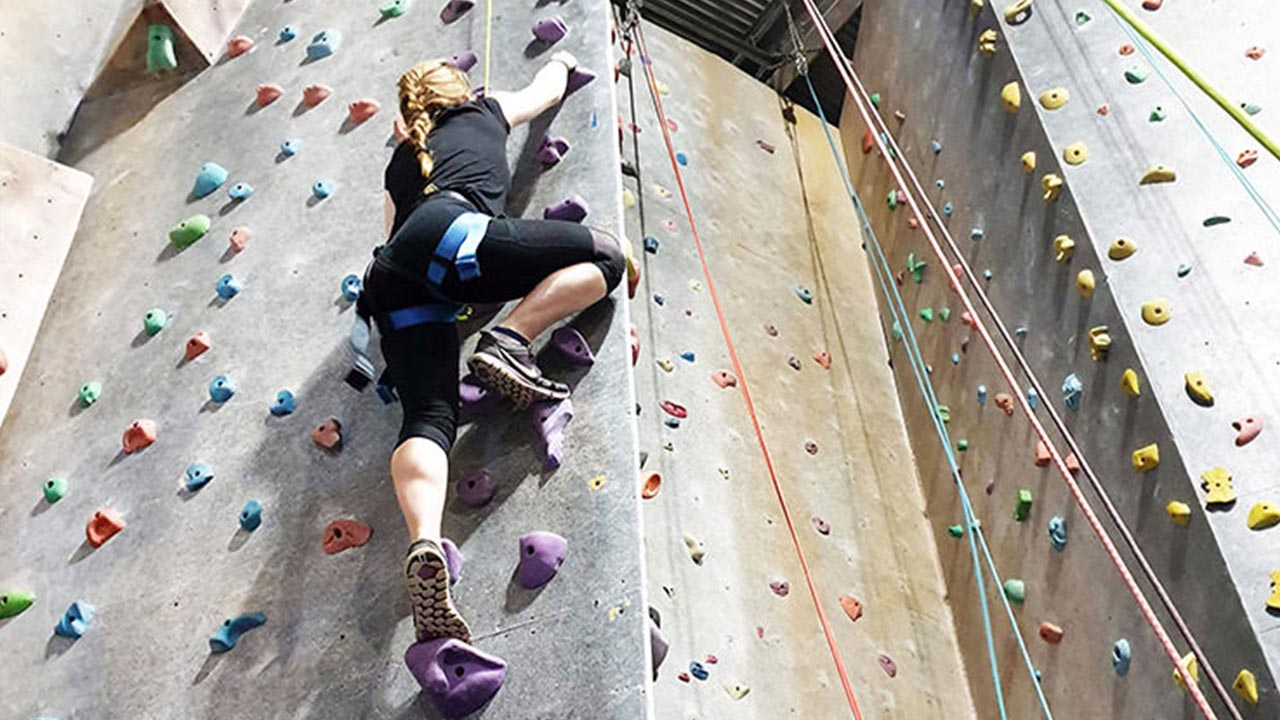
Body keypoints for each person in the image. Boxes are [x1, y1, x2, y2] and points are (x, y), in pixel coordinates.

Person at [358, 52, 624, 644]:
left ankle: (424, 539)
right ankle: (511, 339)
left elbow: (396, 238)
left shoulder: (400, 166)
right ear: (459, 91)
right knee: (607, 256)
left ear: (406, 120)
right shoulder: (485, 108)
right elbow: (544, 91)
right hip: (456, 236)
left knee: (428, 417)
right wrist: (563, 60)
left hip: (391, 278)